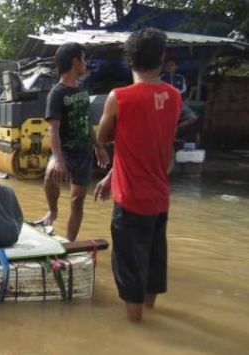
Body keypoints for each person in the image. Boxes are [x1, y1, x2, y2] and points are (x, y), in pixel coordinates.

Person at [94, 28, 180, 322]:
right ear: (162, 58)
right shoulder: (174, 96)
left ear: (129, 59)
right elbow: (148, 144)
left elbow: (105, 137)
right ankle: (151, 317)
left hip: (131, 201)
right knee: (154, 263)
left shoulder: (118, 98)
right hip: (160, 198)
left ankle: (136, 329)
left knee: (129, 268)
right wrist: (111, 176)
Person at [35, 42, 109, 241]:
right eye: (83, 59)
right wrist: (58, 160)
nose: (86, 63)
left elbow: (86, 123)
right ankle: (53, 210)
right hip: (65, 151)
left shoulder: (82, 89)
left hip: (83, 153)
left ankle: (70, 243)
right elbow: (53, 130)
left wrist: (98, 147)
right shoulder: (57, 93)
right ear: (76, 62)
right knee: (51, 174)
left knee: (77, 201)